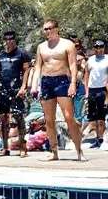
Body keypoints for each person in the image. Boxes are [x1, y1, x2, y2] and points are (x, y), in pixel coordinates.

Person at [31, 19, 83, 161]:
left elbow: (73, 65)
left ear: (57, 28)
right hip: (47, 81)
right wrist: (34, 85)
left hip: (62, 80)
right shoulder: (41, 47)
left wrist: (73, 83)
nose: (48, 31)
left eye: (50, 28)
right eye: (45, 29)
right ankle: (54, 152)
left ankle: (79, 150)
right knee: (49, 120)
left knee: (68, 117)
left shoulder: (67, 44)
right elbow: (38, 67)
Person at [0, 31, 31, 158]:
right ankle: (5, 147)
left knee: (19, 117)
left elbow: (26, 71)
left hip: (17, 88)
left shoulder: (21, 54)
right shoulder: (0, 56)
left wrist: (24, 87)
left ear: (14, 39)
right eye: (6, 39)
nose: (8, 41)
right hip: (3, 89)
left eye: (11, 39)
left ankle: (22, 147)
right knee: (3, 118)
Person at [85, 38, 108, 148]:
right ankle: (96, 139)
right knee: (93, 117)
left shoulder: (107, 59)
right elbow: (86, 75)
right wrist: (86, 91)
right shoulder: (90, 60)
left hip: (102, 89)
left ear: (104, 48)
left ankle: (102, 139)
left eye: (100, 47)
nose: (98, 49)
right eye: (96, 47)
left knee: (101, 118)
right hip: (92, 90)